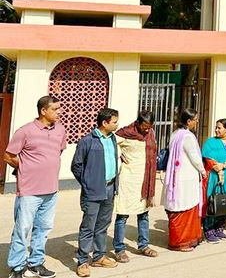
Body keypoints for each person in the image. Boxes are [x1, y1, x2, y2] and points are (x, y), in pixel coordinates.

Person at [4, 96, 66, 278]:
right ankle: (17, 268)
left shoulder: (60, 129)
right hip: (29, 191)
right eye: (55, 109)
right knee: (22, 230)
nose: (59, 112)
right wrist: (25, 167)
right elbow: (8, 155)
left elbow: (59, 151)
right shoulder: (25, 131)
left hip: (51, 190)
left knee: (44, 229)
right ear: (43, 111)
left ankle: (36, 263)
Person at [72, 108, 120, 277]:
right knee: (88, 226)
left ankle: (99, 256)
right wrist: (88, 183)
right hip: (93, 190)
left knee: (103, 225)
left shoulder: (112, 138)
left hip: (110, 187)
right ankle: (83, 260)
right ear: (104, 123)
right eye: (114, 121)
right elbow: (76, 165)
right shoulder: (87, 140)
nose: (117, 124)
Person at [112, 111, 159, 263]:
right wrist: (118, 153)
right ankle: (119, 249)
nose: (147, 130)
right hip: (129, 180)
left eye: (149, 127)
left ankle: (143, 245)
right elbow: (109, 141)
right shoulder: (126, 133)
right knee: (123, 215)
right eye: (144, 127)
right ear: (137, 123)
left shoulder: (150, 133)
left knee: (143, 214)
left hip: (145, 181)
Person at [162, 109, 205, 252]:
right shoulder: (188, 137)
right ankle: (181, 242)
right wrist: (203, 171)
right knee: (184, 209)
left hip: (176, 177)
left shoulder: (175, 134)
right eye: (196, 119)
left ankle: (185, 239)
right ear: (189, 121)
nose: (197, 121)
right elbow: (195, 159)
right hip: (186, 179)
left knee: (178, 207)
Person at [200, 119, 226, 242]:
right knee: (212, 200)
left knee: (224, 201)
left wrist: (225, 165)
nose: (216, 130)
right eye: (216, 127)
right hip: (213, 175)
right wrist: (217, 167)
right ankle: (209, 230)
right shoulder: (210, 142)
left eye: (219, 128)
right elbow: (207, 157)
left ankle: (220, 229)